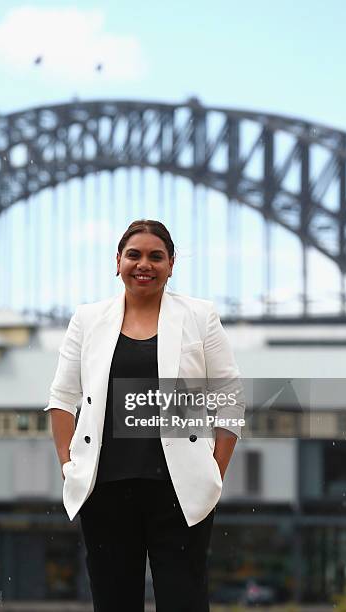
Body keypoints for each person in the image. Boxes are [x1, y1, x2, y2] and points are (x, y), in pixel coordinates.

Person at [44, 219, 245, 612]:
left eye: (156, 256)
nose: (144, 264)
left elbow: (230, 398)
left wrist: (215, 471)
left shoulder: (199, 316)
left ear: (172, 264)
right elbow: (63, 397)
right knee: (113, 602)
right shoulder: (88, 319)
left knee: (184, 602)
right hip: (104, 490)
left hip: (180, 491)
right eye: (134, 255)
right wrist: (69, 465)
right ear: (117, 261)